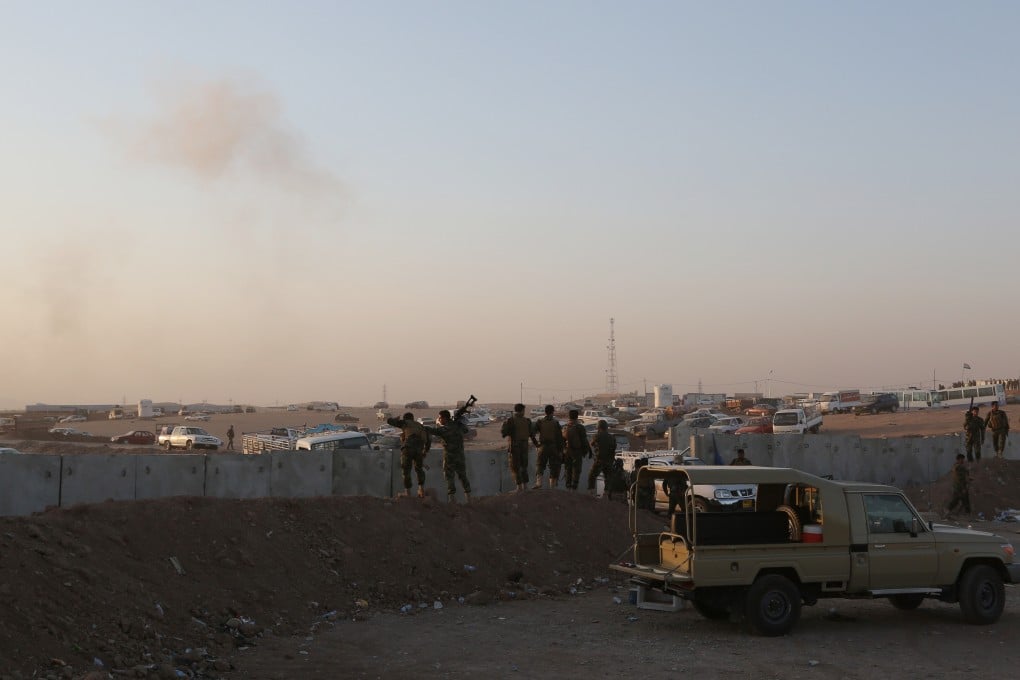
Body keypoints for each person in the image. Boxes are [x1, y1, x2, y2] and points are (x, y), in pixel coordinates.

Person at [423, 410, 471, 503]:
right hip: (460, 456)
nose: (439, 420)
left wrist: (421, 427)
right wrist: (457, 422)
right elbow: (466, 430)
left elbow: (433, 431)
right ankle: (469, 498)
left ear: (444, 418)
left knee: (449, 477)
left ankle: (452, 499)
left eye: (440, 418)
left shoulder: (444, 429)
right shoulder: (458, 426)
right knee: (463, 476)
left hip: (449, 457)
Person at [386, 412, 431, 498]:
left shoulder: (405, 423)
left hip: (408, 448)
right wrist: (425, 451)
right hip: (419, 449)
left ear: (405, 418)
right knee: (419, 469)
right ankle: (421, 490)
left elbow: (389, 421)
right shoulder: (420, 425)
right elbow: (428, 440)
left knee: (406, 470)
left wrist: (396, 419)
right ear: (413, 418)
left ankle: (408, 492)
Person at [501, 404, 538, 492]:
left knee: (515, 466)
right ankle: (525, 486)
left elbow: (504, 434)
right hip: (524, 446)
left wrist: (508, 426)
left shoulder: (510, 420)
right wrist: (537, 445)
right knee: (524, 466)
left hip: (515, 446)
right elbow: (532, 435)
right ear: (522, 410)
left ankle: (519, 487)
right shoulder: (527, 421)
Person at [533, 405, 565, 489]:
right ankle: (552, 486)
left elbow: (532, 433)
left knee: (540, 464)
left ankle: (539, 483)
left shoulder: (540, 422)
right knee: (554, 466)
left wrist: (536, 444)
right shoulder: (555, 423)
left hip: (542, 447)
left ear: (545, 412)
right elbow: (559, 438)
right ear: (552, 412)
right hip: (553, 447)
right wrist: (560, 451)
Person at [561, 409, 591, 491]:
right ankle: (574, 488)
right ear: (577, 417)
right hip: (577, 452)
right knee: (576, 470)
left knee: (568, 469)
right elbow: (584, 440)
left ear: (569, 416)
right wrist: (586, 451)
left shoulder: (565, 427)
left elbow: (562, 440)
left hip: (567, 452)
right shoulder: (580, 427)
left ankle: (568, 487)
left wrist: (563, 451)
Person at [587, 420, 617, 498]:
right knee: (608, 478)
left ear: (599, 428)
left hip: (599, 460)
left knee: (592, 475)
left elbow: (591, 444)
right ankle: (606, 494)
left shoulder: (596, 436)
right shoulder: (612, 437)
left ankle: (591, 493)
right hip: (609, 461)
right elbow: (614, 448)